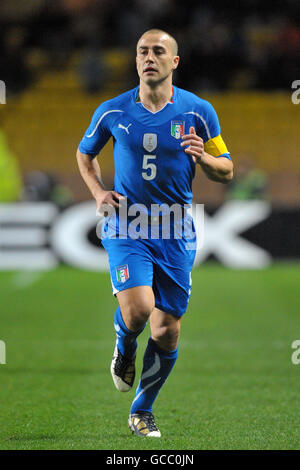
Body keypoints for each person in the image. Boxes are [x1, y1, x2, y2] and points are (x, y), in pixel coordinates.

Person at [76, 29, 233, 437]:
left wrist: (205, 158)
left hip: (176, 228)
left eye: (158, 51)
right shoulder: (113, 111)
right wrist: (97, 192)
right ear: (136, 60)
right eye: (142, 51)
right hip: (127, 223)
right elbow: (84, 153)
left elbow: (227, 169)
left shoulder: (199, 111)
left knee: (167, 329)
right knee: (139, 310)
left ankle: (141, 409)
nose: (149, 57)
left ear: (174, 62)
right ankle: (124, 347)